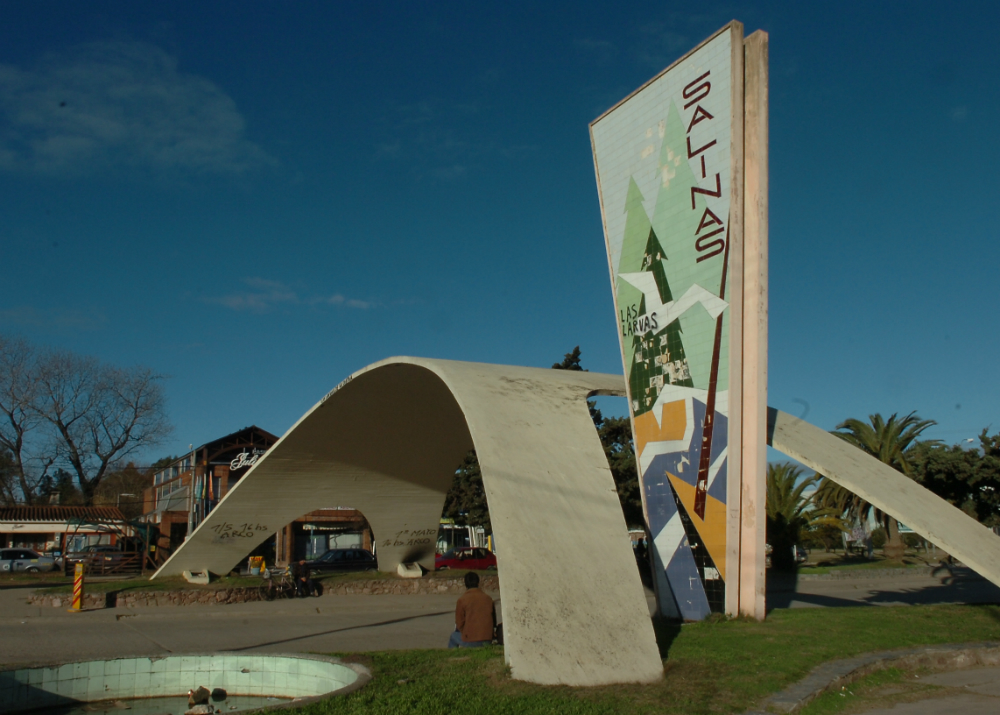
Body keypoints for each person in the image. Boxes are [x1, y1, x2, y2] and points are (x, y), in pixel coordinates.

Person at [447, 571, 496, 648]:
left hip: (471, 640)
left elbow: (459, 622)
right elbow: (494, 621)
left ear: (465, 584)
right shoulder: (488, 598)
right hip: (488, 639)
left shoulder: (462, 600)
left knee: (453, 636)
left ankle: (453, 656)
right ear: (478, 583)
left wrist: (466, 633)